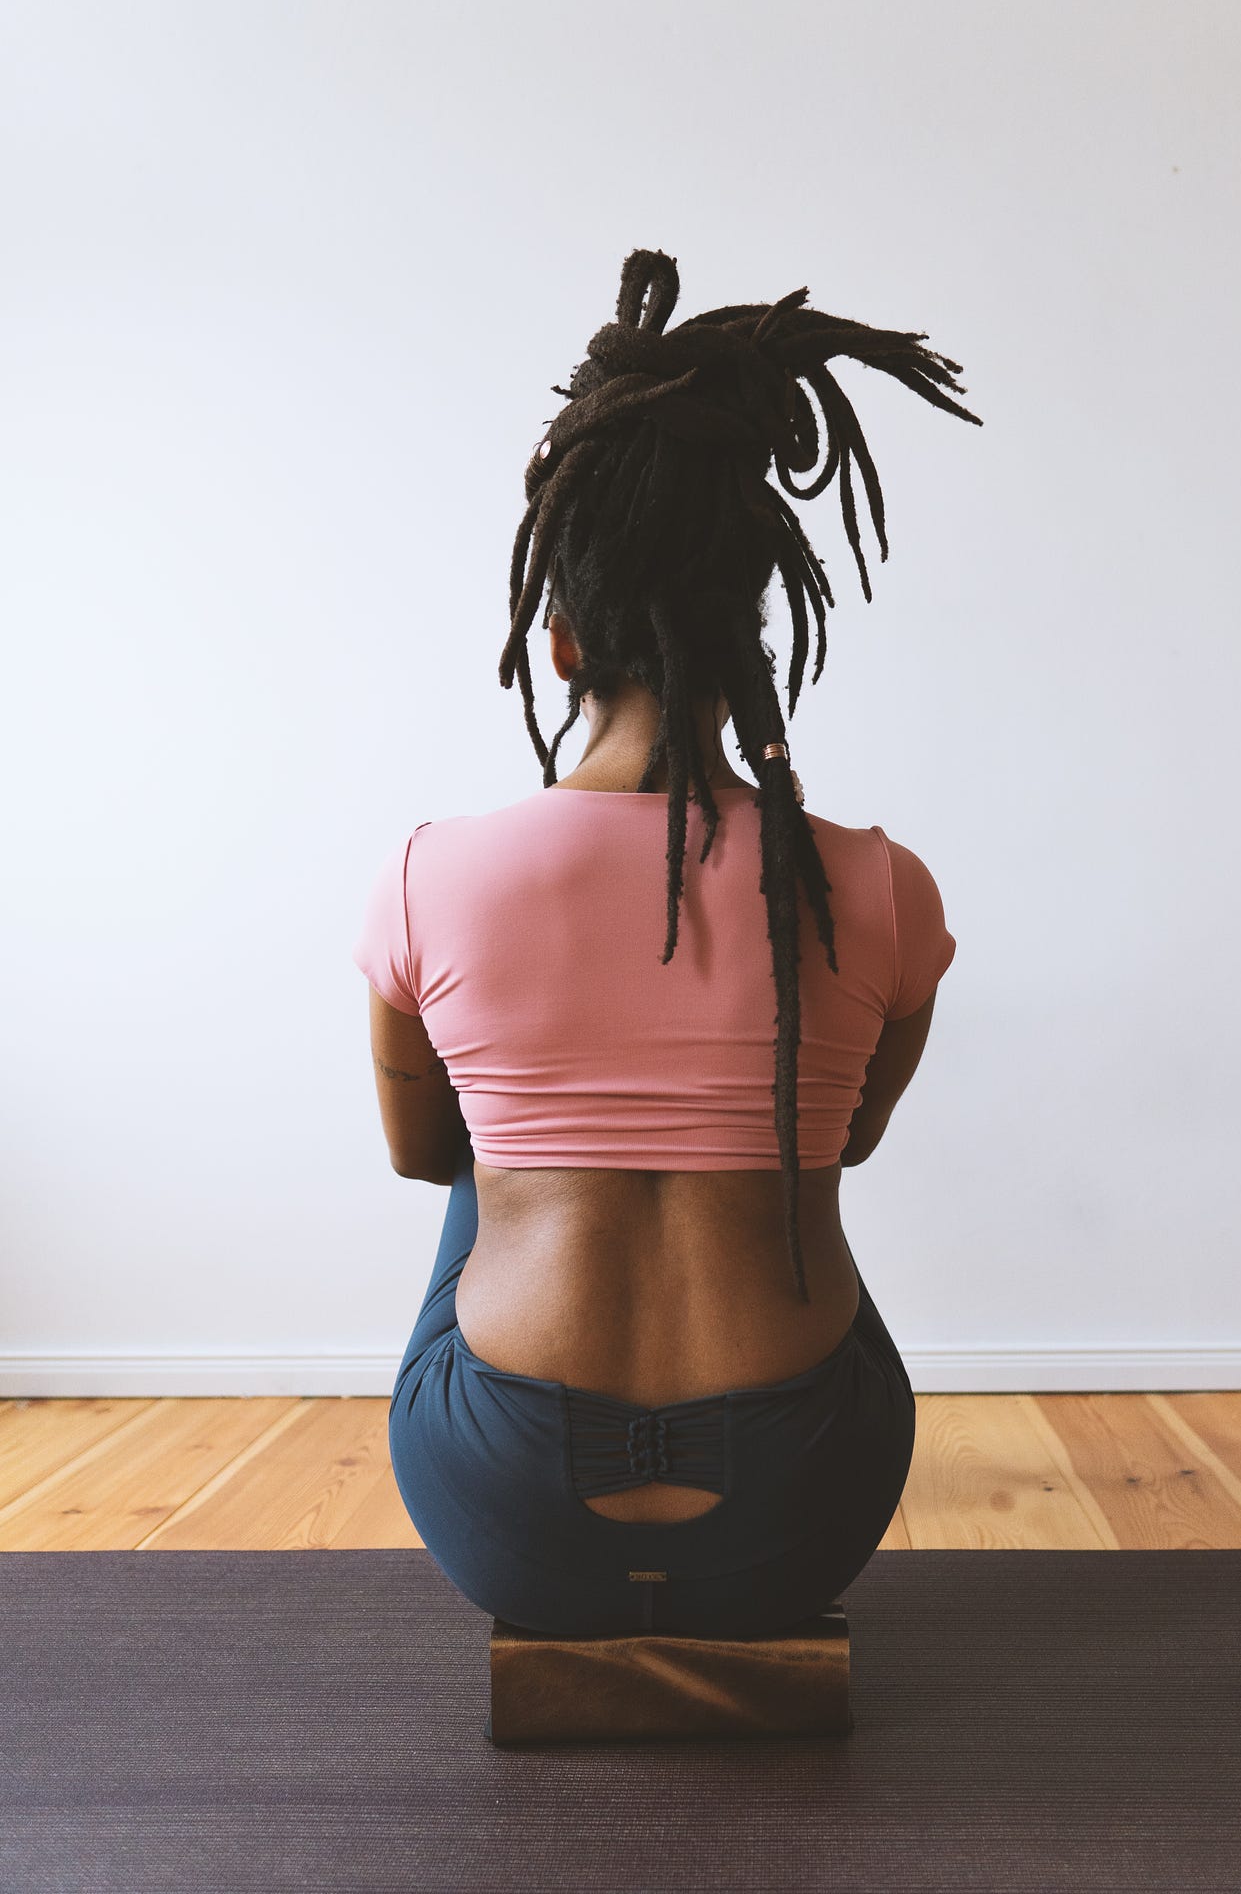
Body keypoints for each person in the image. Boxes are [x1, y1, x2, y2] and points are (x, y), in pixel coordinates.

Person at [353, 247, 978, 1638]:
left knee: (484, 1157)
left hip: (507, 1510)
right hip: (801, 1503)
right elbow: (851, 1139)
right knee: (781, 1162)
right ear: (755, 623)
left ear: (559, 639)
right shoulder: (873, 886)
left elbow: (418, 1157)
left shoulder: (430, 876)